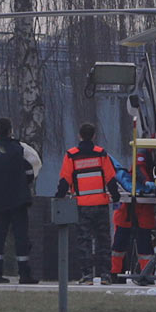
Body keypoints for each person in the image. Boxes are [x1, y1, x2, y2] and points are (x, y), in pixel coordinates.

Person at [0, 117, 42, 284]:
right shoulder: (17, 148)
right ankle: (24, 274)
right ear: (10, 130)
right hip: (18, 199)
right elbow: (32, 166)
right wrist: (25, 181)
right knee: (21, 237)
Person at [55, 122, 120, 285]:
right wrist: (116, 197)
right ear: (94, 136)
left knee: (84, 241)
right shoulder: (101, 154)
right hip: (101, 204)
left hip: (82, 205)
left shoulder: (71, 156)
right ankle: (105, 275)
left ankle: (87, 276)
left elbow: (65, 180)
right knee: (103, 241)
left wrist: (58, 197)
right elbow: (111, 179)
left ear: (79, 136)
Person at [110, 149, 156, 283]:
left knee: (133, 246)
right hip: (132, 212)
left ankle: (118, 274)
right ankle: (143, 274)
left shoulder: (144, 160)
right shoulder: (145, 159)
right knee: (138, 247)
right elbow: (139, 169)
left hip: (132, 213)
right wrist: (148, 182)